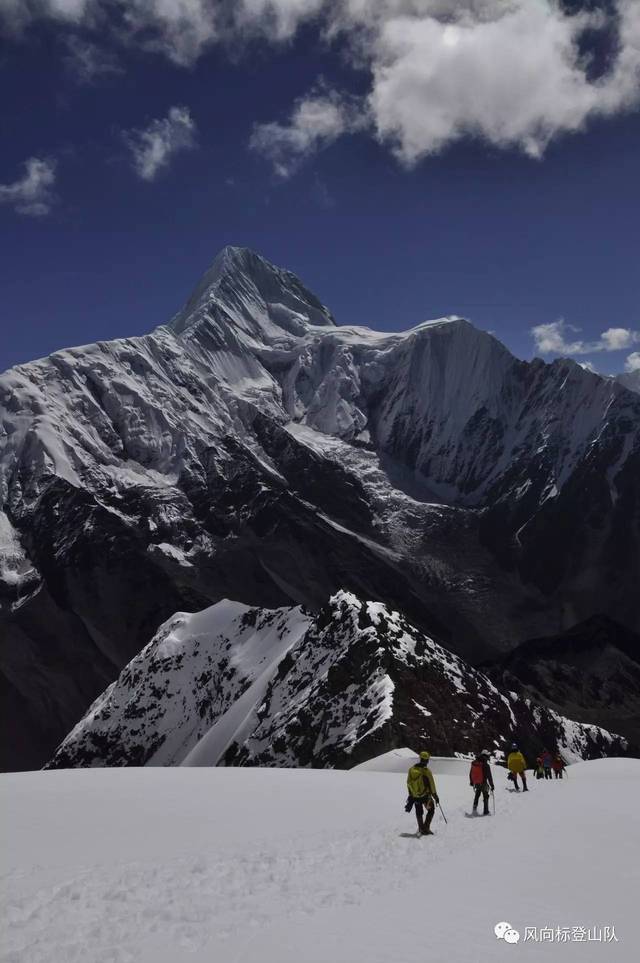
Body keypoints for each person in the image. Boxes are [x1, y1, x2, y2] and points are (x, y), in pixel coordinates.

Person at [407, 751, 440, 835]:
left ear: (420, 759)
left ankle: (421, 828)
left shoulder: (411, 769)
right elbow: (432, 784)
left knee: (419, 812)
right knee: (431, 810)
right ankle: (426, 827)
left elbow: (408, 782)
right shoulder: (426, 771)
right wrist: (435, 796)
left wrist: (411, 794)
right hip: (425, 796)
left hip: (415, 796)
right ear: (427, 760)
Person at [469, 749, 495, 815]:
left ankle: (474, 809)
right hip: (483, 783)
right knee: (485, 796)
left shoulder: (475, 762)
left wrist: (472, 781)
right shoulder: (486, 765)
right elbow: (489, 776)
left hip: (477, 783)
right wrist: (492, 785)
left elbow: (471, 773)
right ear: (486, 755)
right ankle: (486, 811)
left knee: (477, 794)